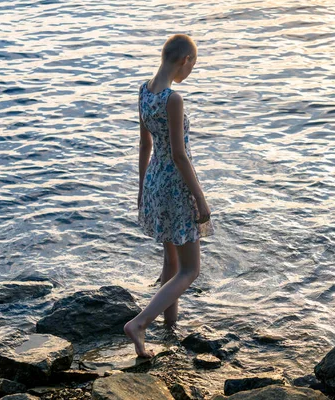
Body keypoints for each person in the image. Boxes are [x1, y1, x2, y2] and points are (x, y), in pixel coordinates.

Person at [125, 33, 215, 358]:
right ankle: (140, 323)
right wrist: (200, 199)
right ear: (184, 61)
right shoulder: (172, 99)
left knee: (171, 259)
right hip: (176, 185)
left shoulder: (143, 91)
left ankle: (169, 329)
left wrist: (141, 189)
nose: (191, 71)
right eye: (193, 65)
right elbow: (180, 155)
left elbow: (145, 145)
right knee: (191, 270)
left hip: (154, 181)